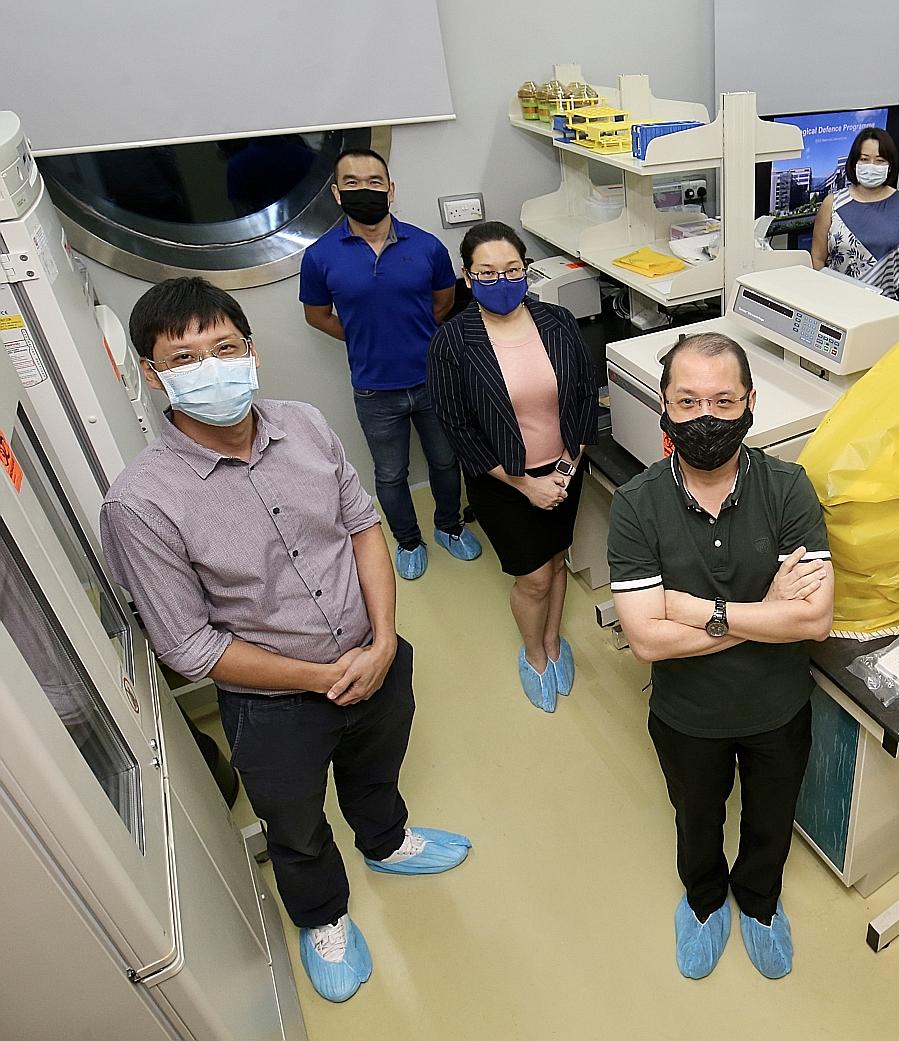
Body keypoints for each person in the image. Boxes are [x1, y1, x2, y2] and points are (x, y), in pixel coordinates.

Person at [100, 277, 471, 1005]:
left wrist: (385, 641)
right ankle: (323, 914)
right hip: (274, 702)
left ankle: (387, 840)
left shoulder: (304, 424)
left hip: (377, 653)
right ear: (151, 374)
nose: (211, 367)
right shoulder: (140, 501)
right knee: (294, 821)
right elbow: (190, 646)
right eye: (185, 357)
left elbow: (363, 526)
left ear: (253, 352)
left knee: (378, 765)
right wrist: (317, 678)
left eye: (224, 347)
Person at [607, 333, 833, 982]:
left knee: (771, 817)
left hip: (778, 708)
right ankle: (705, 901)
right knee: (695, 817)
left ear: (751, 403)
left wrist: (695, 609)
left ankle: (758, 903)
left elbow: (813, 617)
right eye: (688, 401)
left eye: (723, 400)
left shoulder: (789, 489)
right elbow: (646, 639)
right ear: (663, 406)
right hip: (687, 714)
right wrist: (765, 610)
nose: (706, 416)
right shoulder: (635, 506)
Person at [427, 223, 599, 712]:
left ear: (526, 270)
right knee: (534, 578)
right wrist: (527, 485)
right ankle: (534, 654)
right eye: (487, 273)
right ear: (467, 276)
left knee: (558, 558)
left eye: (512, 270)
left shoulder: (558, 321)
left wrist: (567, 467)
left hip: (566, 469)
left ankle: (554, 640)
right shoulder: (452, 342)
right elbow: (457, 428)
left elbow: (586, 393)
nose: (501, 281)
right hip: (504, 482)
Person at [299, 147, 481, 580]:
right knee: (390, 473)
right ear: (337, 193)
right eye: (353, 183)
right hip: (374, 389)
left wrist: (411, 331)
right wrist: (365, 336)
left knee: (444, 461)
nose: (366, 190)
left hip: (433, 381)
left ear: (391, 189)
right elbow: (317, 316)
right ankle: (408, 540)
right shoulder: (320, 257)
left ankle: (448, 528)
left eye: (375, 182)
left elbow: (445, 301)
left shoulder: (427, 246)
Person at [811, 127, 899, 302]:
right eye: (864, 159)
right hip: (835, 303)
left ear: (890, 164)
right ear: (854, 162)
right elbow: (817, 258)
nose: (871, 166)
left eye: (879, 160)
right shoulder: (832, 204)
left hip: (884, 306)